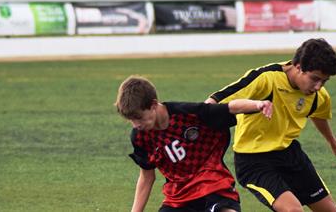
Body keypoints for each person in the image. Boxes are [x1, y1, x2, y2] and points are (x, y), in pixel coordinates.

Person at [205, 38, 336, 212]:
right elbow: (214, 101)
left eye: (324, 81)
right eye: (315, 79)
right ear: (298, 67)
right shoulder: (267, 78)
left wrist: (334, 143)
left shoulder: (319, 95)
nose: (319, 86)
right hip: (253, 160)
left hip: (290, 155)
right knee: (293, 210)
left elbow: (318, 114)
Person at [114, 75, 273, 212]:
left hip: (213, 184)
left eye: (139, 118)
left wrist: (258, 105)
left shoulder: (188, 114)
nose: (136, 125)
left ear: (154, 105)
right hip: (178, 198)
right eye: (131, 121)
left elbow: (229, 108)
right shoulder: (140, 137)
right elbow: (146, 176)